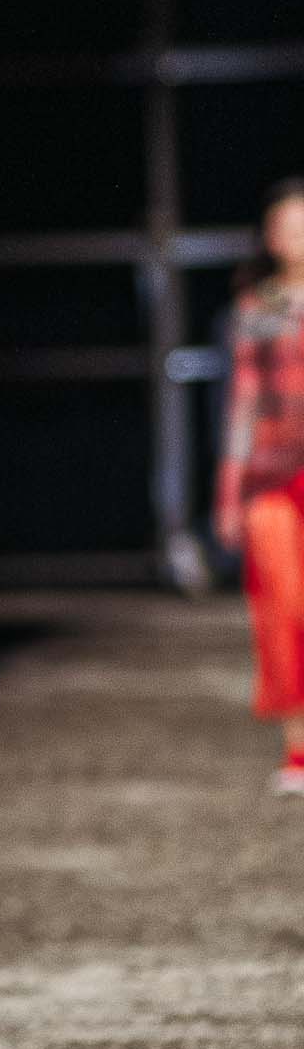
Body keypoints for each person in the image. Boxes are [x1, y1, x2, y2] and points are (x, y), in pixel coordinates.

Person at [213, 176, 304, 796]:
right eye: (288, 225)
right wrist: (229, 492)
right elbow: (242, 406)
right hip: (272, 477)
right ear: (270, 237)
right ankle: (299, 749)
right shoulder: (256, 311)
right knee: (284, 611)